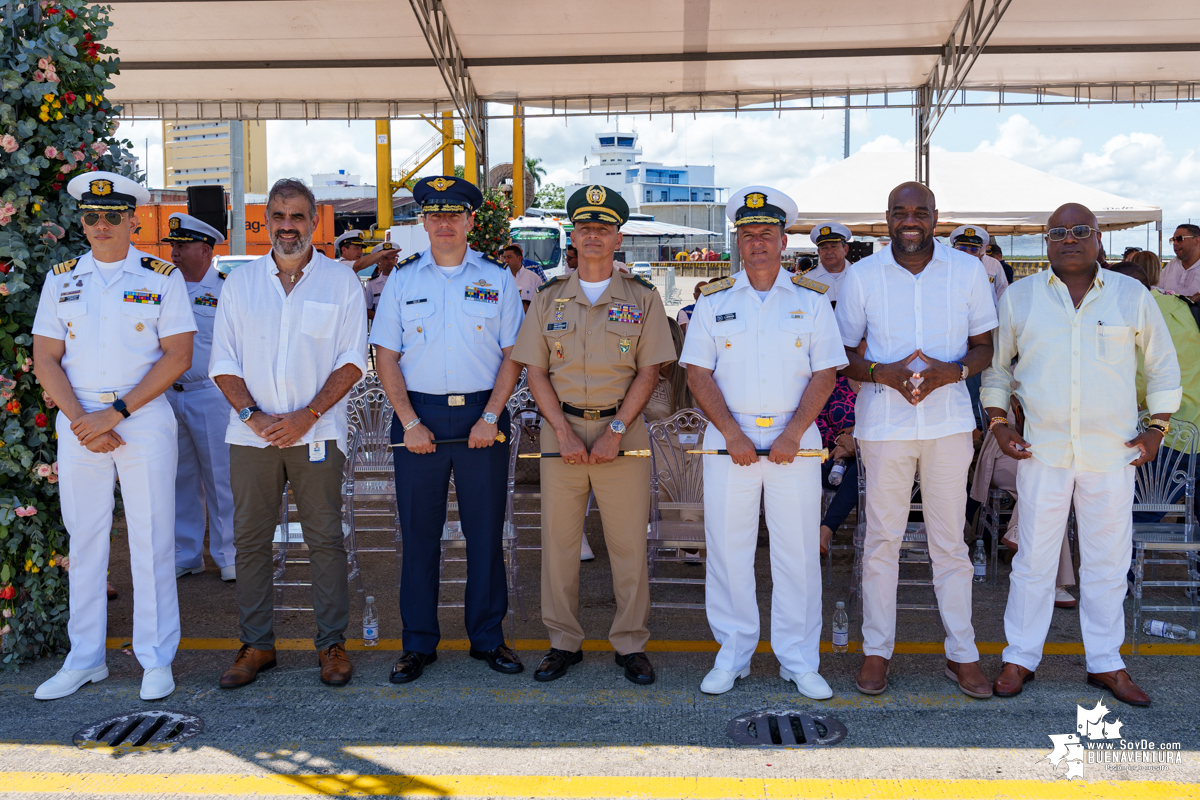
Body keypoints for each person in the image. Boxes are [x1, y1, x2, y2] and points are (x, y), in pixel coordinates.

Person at [983, 204, 1181, 706]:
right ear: (1047, 241)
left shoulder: (1131, 295)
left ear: (1097, 240)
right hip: (1042, 452)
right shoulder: (1020, 297)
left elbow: (1161, 365)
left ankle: (1106, 663)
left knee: (1107, 563)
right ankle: (1020, 658)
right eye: (1057, 233)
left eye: (1079, 231)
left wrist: (1157, 427)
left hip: (1111, 452)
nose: (1068, 239)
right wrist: (999, 422)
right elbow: (998, 367)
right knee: (1033, 561)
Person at [32, 171, 197, 701]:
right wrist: (84, 419)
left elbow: (179, 356)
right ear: (82, 221)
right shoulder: (61, 278)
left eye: (111, 216)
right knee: (84, 542)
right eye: (90, 216)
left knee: (152, 539)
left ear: (132, 220)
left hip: (141, 418)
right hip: (79, 419)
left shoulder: (161, 276)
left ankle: (154, 658)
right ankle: (85, 659)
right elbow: (45, 357)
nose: (100, 226)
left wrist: (117, 413)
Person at [682, 185, 847, 698]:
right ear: (739, 241)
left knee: (796, 553)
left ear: (783, 240)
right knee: (728, 553)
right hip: (727, 441)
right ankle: (733, 655)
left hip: (794, 441)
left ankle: (798, 659)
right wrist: (732, 434)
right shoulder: (714, 300)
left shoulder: (811, 301)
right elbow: (696, 372)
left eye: (767, 234)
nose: (758, 243)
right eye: (748, 234)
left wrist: (793, 434)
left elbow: (826, 372)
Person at [835, 182, 998, 699]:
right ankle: (877, 651)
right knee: (881, 540)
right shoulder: (862, 276)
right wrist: (881, 373)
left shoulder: (968, 270)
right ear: (886, 218)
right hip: (885, 426)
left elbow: (984, 346)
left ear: (935, 217)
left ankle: (962, 654)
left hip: (948, 424)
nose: (911, 220)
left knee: (950, 543)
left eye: (920, 212)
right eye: (900, 212)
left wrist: (955, 372)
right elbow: (843, 353)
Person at [511, 184, 676, 685]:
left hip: (623, 433)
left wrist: (616, 431)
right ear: (573, 238)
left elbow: (650, 372)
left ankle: (630, 642)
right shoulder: (547, 299)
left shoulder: (643, 299)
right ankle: (563, 641)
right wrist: (560, 430)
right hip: (560, 433)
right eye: (585, 228)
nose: (594, 237)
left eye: (604, 229)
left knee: (627, 544)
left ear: (618, 238)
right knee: (559, 545)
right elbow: (534, 371)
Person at [210, 179, 368, 690]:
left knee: (325, 539)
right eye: (278, 215)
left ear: (314, 221)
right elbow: (223, 362)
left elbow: (351, 362)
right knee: (251, 541)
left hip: (317, 432)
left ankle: (331, 644)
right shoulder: (240, 284)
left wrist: (306, 415)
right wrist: (254, 416)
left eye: (297, 216)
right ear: (267, 220)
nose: (286, 226)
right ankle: (257, 644)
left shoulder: (341, 282)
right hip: (251, 435)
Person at [371, 176, 525, 684]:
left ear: (470, 221)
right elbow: (385, 356)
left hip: (483, 415)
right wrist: (409, 422)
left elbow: (512, 355)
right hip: (419, 419)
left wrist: (490, 416)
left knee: (486, 531)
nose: (443, 222)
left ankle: (487, 637)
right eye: (434, 214)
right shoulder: (403, 279)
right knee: (418, 534)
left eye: (453, 214)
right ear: (423, 220)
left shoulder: (497, 277)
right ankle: (417, 643)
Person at [160, 213, 237, 583]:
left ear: (205, 250)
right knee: (179, 478)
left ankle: (230, 555)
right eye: (172, 246)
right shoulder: (164, 287)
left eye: (181, 246)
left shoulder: (227, 290)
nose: (173, 253)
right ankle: (186, 554)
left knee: (221, 476)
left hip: (212, 394)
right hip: (169, 395)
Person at [816, 375, 859, 557]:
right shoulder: (832, 384)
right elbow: (816, 422)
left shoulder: (881, 387)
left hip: (868, 458)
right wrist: (840, 441)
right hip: (831, 458)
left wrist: (856, 445)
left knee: (863, 469)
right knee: (864, 473)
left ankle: (825, 531)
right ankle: (825, 531)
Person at [949, 225, 1009, 304]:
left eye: (973, 250)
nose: (968, 253)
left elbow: (1002, 290)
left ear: (981, 250)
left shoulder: (994, 264)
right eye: (962, 249)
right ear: (954, 248)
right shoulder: (948, 264)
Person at [804, 223, 853, 305]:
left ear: (845, 250)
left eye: (834, 246)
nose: (829, 252)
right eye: (824, 248)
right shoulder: (806, 280)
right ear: (819, 252)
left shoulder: (861, 275)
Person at [1155, 224, 1200, 300]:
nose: (1175, 243)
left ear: (1197, 241)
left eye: (1180, 239)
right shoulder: (1172, 264)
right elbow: (1158, 290)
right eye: (1173, 240)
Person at [363, 242, 401, 321]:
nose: (390, 261)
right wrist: (381, 319)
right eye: (386, 258)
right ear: (378, 262)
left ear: (396, 260)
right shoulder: (372, 284)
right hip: (381, 328)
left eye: (392, 257)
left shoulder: (404, 280)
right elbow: (366, 310)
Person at [501, 243, 542, 310]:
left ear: (519, 258)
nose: (506, 261)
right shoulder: (501, 278)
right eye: (504, 257)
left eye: (509, 257)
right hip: (506, 318)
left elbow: (541, 301)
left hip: (529, 318)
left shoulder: (534, 278)